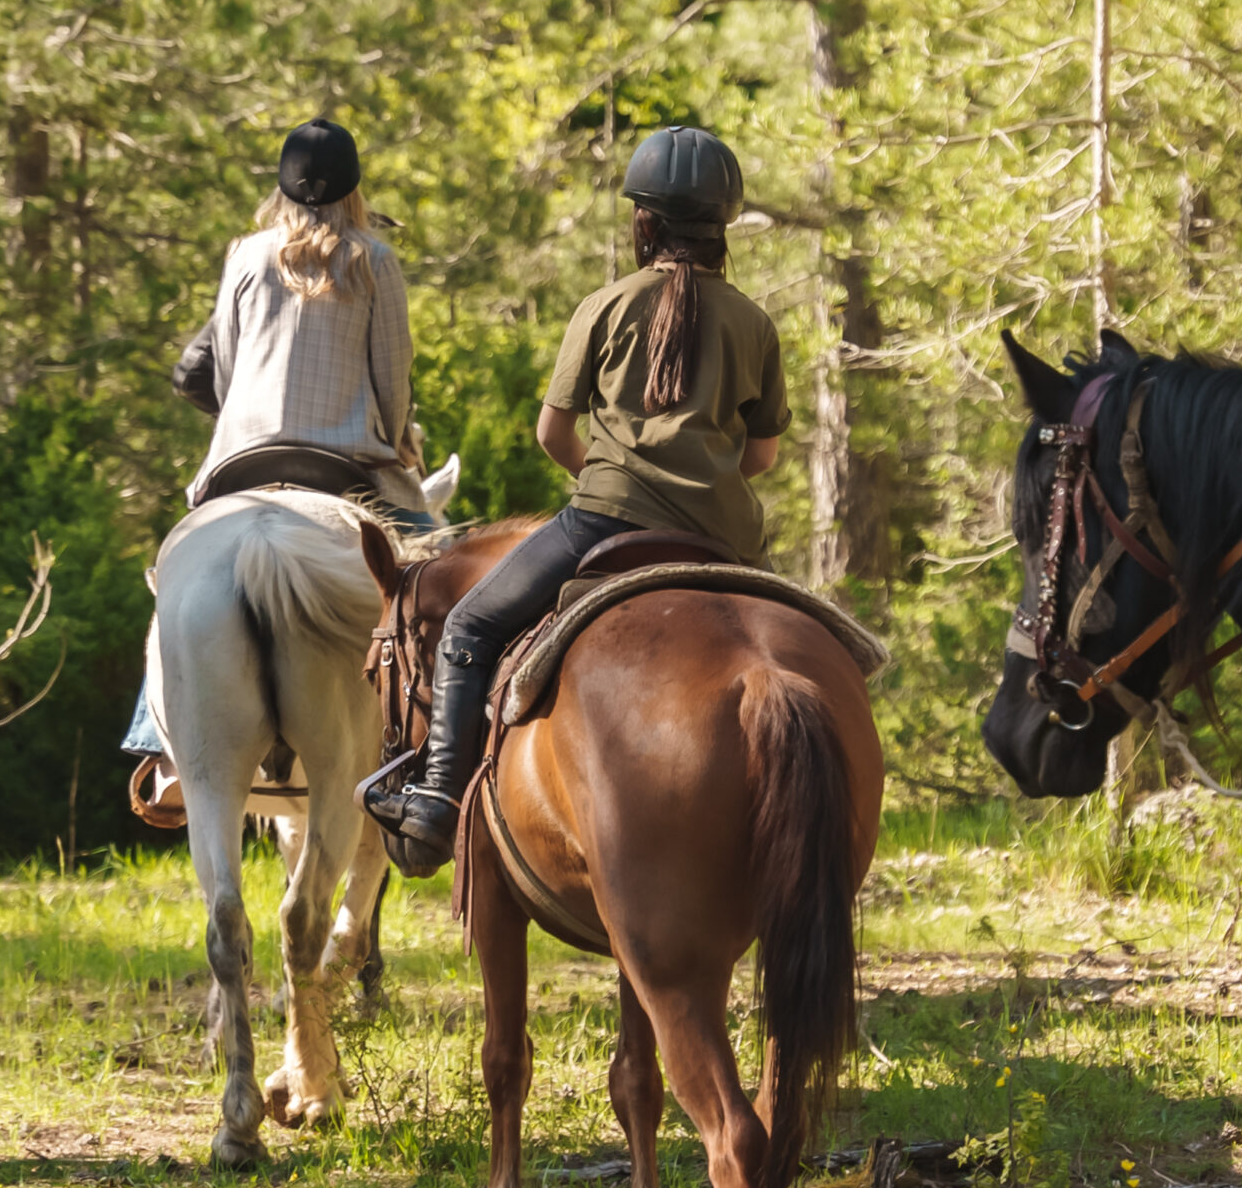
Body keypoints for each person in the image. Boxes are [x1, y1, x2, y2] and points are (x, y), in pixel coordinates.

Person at [366, 124, 790, 875]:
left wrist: (612, 475)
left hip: (607, 515)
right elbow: (762, 454)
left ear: (644, 223)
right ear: (722, 230)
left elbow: (552, 431)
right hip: (725, 536)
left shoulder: (605, 305)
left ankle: (434, 800)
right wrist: (704, 478)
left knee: (469, 624)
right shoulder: (755, 323)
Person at [121, 117, 433, 775]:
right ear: (356, 190)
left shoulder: (246, 254)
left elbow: (227, 373)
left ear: (281, 187)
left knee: (175, 578)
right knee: (430, 579)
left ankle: (157, 744)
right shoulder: (375, 259)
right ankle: (431, 753)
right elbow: (393, 378)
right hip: (346, 468)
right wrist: (398, 437)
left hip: (243, 460)